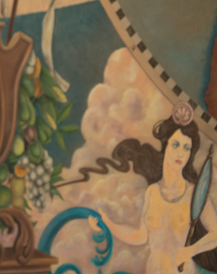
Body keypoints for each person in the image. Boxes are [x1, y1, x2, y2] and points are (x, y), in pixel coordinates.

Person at [85, 104, 217, 273]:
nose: (180, 154)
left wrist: (192, 250)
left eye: (186, 148)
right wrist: (107, 223)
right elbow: (140, 236)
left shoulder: (194, 194)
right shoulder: (152, 192)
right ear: (166, 145)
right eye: (176, 145)